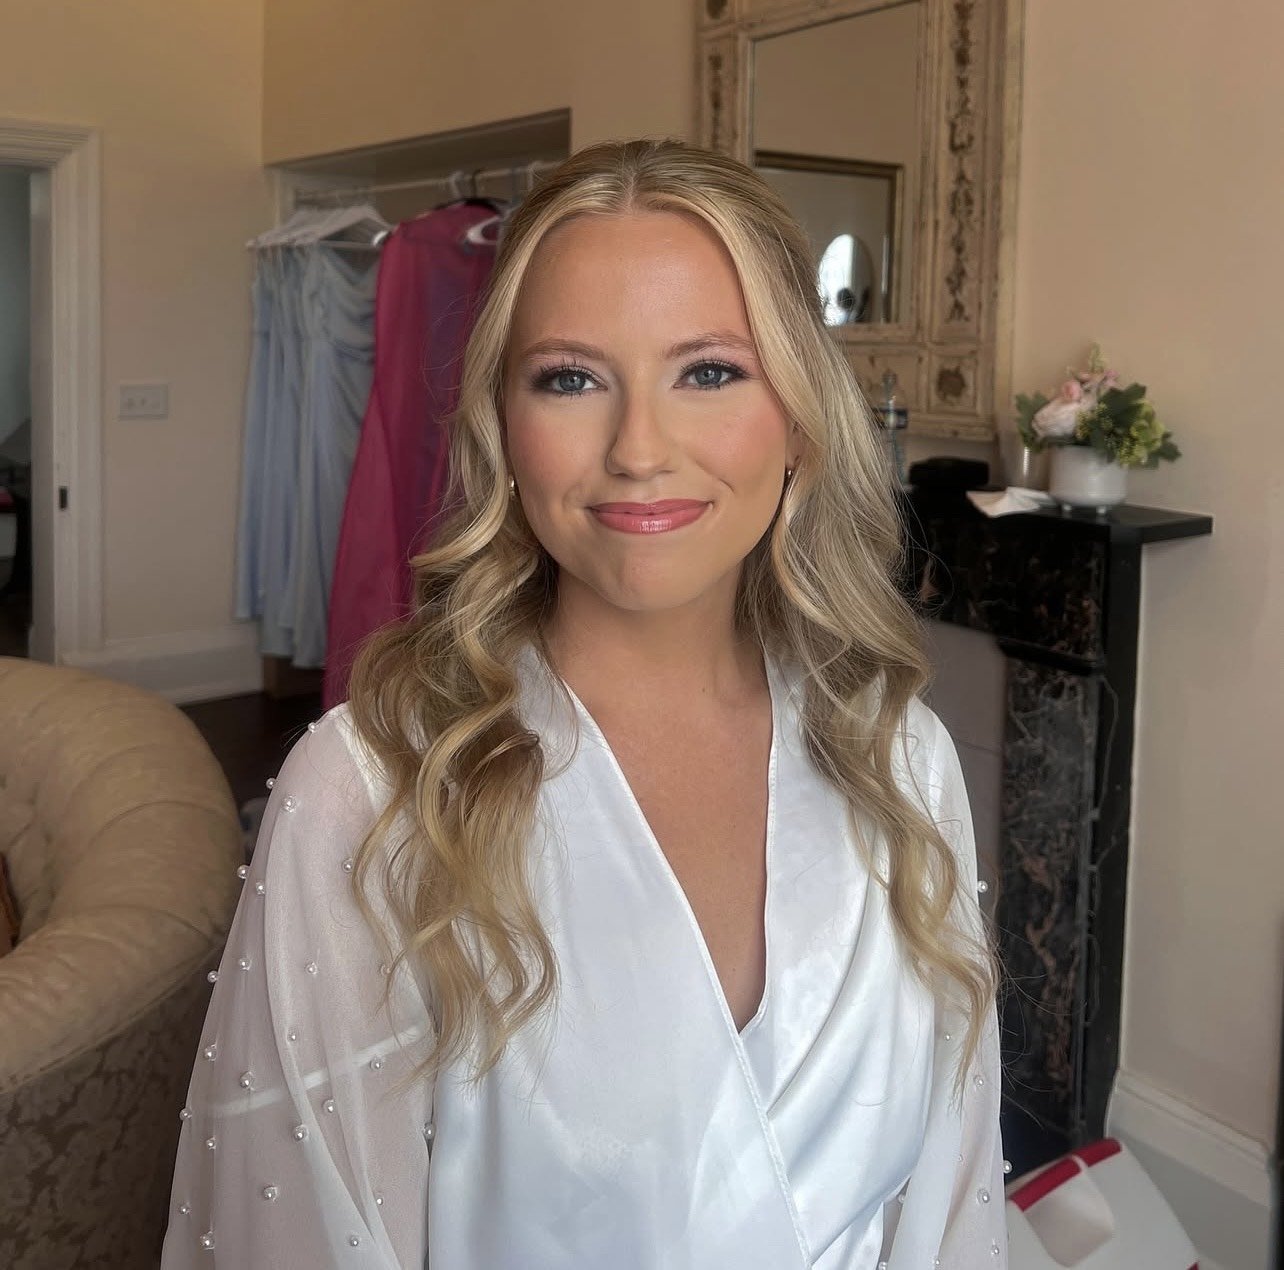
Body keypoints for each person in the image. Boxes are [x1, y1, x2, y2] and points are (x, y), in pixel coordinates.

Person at [162, 138, 1008, 1269]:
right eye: (570, 378)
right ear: (503, 427)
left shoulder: (901, 761)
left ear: (800, 418)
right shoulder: (375, 792)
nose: (638, 450)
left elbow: (953, 1205)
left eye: (709, 372)